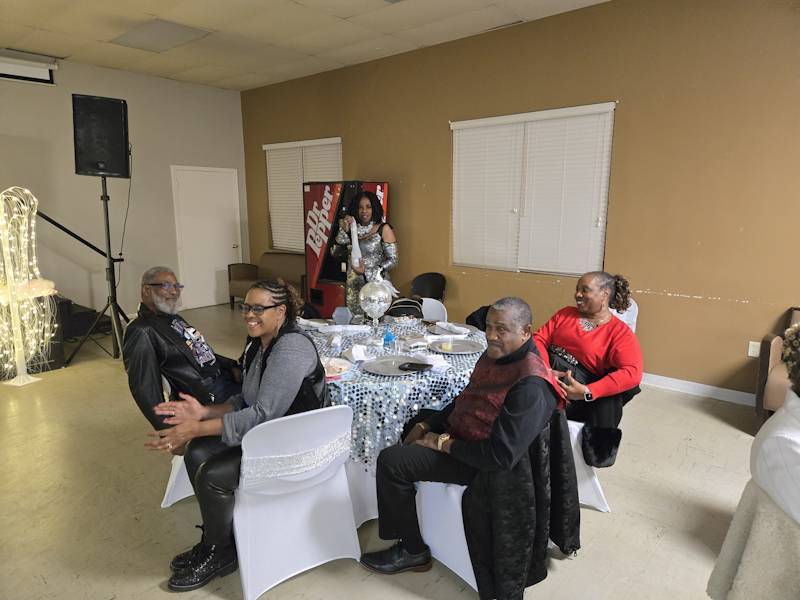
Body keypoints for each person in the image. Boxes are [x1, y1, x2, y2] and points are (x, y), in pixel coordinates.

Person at [360, 297, 564, 576]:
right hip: (467, 435)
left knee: (392, 461)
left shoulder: (531, 385)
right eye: (489, 327)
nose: (491, 335)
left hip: (484, 463)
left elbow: (501, 456)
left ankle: (413, 551)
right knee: (412, 422)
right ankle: (409, 505)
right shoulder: (497, 355)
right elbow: (466, 399)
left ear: (526, 331)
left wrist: (442, 443)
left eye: (501, 329)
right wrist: (427, 426)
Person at [145, 279, 326, 592]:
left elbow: (263, 414)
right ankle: (220, 541)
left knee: (213, 474)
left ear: (281, 311)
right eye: (246, 307)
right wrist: (203, 413)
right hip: (270, 433)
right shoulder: (259, 342)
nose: (249, 315)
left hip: (295, 442)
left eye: (258, 308)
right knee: (197, 452)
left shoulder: (291, 348)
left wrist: (196, 427)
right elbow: (247, 399)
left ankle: (220, 553)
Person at [533, 271, 643, 466]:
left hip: (577, 391)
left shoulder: (619, 333)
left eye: (585, 290)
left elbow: (632, 373)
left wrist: (587, 392)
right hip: (547, 376)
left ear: (604, 294)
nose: (577, 294)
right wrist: (545, 369)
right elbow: (539, 338)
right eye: (577, 289)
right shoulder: (565, 314)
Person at [123, 266, 241, 432]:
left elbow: (198, 350)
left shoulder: (171, 317)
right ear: (147, 290)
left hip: (224, 378)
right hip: (208, 395)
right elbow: (145, 389)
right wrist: (168, 431)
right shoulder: (142, 330)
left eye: (177, 286)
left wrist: (229, 365)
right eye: (167, 286)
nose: (175, 292)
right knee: (266, 404)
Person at [334, 191, 398, 315]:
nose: (364, 211)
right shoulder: (352, 228)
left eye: (368, 207)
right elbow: (337, 251)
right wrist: (345, 229)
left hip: (375, 286)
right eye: (360, 207)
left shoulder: (383, 229)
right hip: (353, 286)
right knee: (354, 322)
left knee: (375, 320)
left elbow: (393, 260)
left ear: (374, 209)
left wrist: (368, 271)